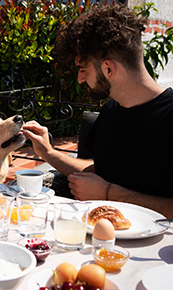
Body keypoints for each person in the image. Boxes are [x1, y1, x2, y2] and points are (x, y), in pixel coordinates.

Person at [23, 4, 173, 219]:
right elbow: (100, 172)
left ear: (108, 69)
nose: (80, 79)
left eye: (84, 69)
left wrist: (108, 193)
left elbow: (105, 186)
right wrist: (48, 152)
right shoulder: (111, 110)